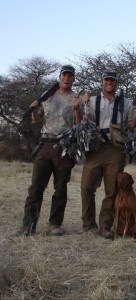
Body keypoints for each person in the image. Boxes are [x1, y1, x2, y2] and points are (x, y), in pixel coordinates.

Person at [15, 65, 84, 236]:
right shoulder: (47, 96)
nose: (67, 78)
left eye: (70, 76)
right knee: (35, 188)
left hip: (64, 147)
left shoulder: (77, 99)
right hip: (45, 145)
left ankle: (55, 224)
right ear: (60, 77)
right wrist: (34, 110)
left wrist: (76, 110)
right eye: (64, 75)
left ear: (73, 79)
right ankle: (28, 226)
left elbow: (79, 124)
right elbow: (38, 120)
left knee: (60, 189)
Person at [80, 70, 136, 239]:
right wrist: (82, 105)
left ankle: (105, 226)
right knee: (86, 188)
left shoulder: (126, 103)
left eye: (112, 80)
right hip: (95, 149)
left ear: (116, 83)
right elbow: (85, 121)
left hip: (115, 150)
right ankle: (88, 224)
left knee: (112, 190)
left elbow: (132, 126)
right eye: (106, 80)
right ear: (101, 82)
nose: (109, 82)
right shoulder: (92, 100)